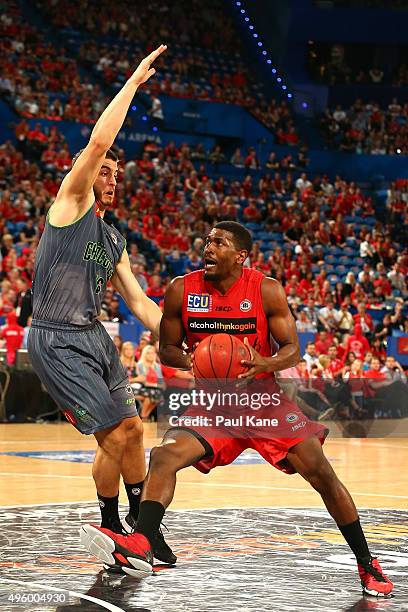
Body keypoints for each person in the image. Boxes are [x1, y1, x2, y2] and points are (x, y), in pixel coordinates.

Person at [82, 221, 393, 595]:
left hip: (263, 401)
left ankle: (367, 563)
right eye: (207, 241)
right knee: (164, 456)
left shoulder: (267, 290)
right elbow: (167, 347)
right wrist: (192, 358)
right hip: (214, 403)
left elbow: (293, 347)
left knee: (321, 473)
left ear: (241, 255)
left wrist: (267, 363)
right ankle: (142, 543)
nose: (207, 247)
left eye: (218, 243)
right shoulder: (182, 288)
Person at [27, 45, 173, 564]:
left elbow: (138, 301)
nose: (110, 179)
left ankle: (113, 528)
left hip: (95, 336)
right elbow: (98, 140)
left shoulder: (113, 240)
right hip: (54, 336)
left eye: (116, 174)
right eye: (104, 171)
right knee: (127, 431)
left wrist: (182, 333)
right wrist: (132, 84)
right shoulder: (71, 201)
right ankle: (142, 527)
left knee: (123, 434)